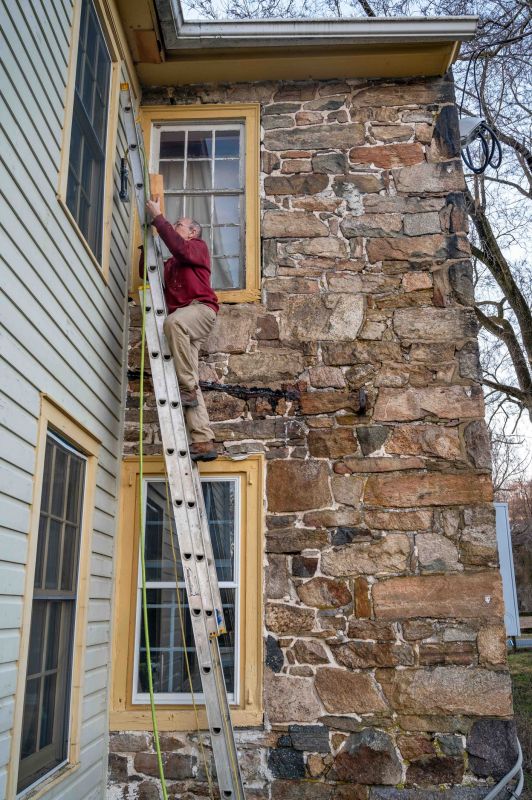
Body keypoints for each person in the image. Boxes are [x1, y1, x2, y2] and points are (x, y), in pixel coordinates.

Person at [141, 197, 219, 462]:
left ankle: (187, 388)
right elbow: (146, 273)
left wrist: (158, 218)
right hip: (185, 325)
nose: (174, 228)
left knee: (172, 323)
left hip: (200, 311)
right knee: (187, 383)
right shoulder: (172, 264)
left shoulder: (197, 247)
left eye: (179, 225)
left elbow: (179, 248)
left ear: (192, 232)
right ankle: (203, 441)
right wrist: (148, 243)